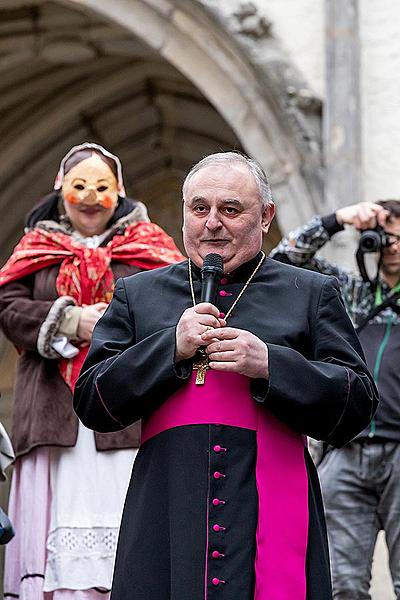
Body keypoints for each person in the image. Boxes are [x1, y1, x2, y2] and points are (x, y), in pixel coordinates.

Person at [74, 152, 378, 600]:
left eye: (230, 210)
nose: (212, 223)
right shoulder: (138, 294)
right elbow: (92, 402)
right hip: (169, 509)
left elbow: (357, 406)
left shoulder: (310, 293)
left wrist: (273, 364)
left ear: (266, 216)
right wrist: (169, 347)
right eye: (200, 209)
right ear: (184, 215)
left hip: (271, 503)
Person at [0, 142, 183, 599]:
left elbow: (177, 305)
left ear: (117, 192)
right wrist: (67, 319)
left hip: (125, 413)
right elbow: (7, 304)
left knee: (124, 525)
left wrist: (117, 322)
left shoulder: (150, 245)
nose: (89, 198)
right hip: (51, 411)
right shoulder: (34, 245)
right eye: (79, 186)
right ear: (62, 190)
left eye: (101, 188)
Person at [270, 200, 400, 599]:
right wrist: (338, 220)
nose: (392, 246)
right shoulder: (353, 293)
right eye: (385, 236)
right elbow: (284, 260)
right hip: (345, 449)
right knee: (342, 584)